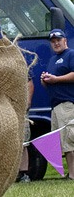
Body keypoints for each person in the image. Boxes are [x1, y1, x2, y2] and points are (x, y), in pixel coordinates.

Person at [40, 28, 74, 181]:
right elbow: (53, 82)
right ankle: (70, 173)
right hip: (56, 106)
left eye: (58, 40)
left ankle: (73, 175)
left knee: (70, 140)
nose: (56, 43)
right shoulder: (53, 59)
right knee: (61, 142)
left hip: (68, 104)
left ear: (65, 40)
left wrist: (56, 79)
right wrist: (45, 81)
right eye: (53, 42)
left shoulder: (71, 55)